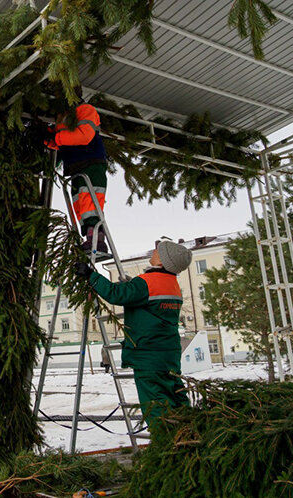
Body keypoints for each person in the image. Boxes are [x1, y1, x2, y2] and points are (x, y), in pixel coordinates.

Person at [74, 240, 193, 426]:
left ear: (162, 261)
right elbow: (151, 304)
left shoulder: (148, 282)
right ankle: (190, 433)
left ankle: (165, 444)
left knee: (156, 406)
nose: (153, 251)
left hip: (148, 356)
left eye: (157, 251)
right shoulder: (172, 284)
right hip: (168, 355)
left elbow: (116, 295)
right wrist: (132, 285)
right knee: (176, 397)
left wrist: (91, 275)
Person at [45, 86, 109, 253]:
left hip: (91, 163)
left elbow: (84, 136)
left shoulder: (85, 110)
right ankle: (89, 238)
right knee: (80, 207)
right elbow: (61, 142)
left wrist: (56, 137)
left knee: (90, 202)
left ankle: (97, 239)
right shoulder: (63, 117)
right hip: (76, 167)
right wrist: (47, 140)